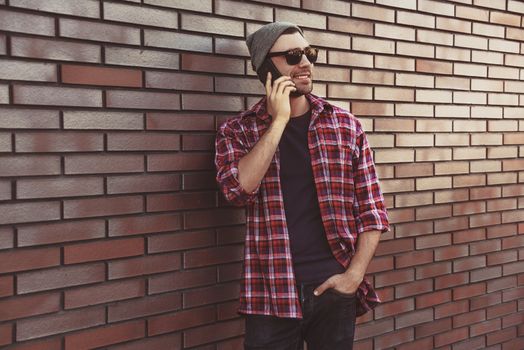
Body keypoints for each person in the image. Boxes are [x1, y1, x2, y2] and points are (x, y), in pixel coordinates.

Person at [215, 22, 390, 350]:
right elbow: (237, 191)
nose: (306, 63)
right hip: (270, 293)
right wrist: (279, 121)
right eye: (294, 56)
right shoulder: (237, 131)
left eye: (309, 54)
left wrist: (353, 277)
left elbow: (373, 210)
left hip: (333, 288)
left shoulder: (344, 126)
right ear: (266, 67)